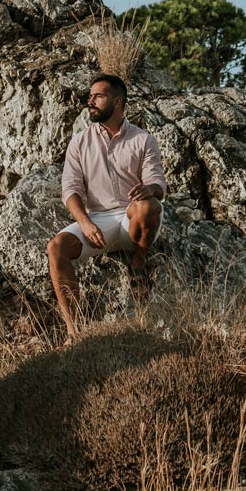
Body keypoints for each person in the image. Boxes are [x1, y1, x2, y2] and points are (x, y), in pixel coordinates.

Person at [47, 73, 167, 337]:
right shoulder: (79, 142)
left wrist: (149, 189)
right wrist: (84, 223)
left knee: (148, 206)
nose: (90, 101)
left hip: (131, 219)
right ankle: (74, 332)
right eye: (90, 96)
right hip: (97, 222)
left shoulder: (143, 139)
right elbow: (71, 190)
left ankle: (139, 260)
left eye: (98, 96)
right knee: (56, 247)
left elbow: (158, 184)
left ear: (117, 101)